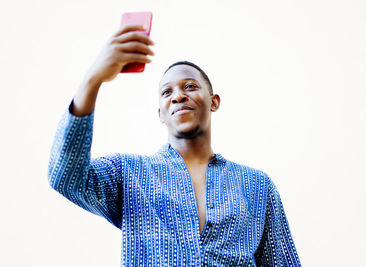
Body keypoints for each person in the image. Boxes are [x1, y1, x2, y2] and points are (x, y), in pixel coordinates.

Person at [48, 24, 301, 266]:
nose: (179, 95)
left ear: (214, 102)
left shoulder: (258, 186)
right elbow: (65, 177)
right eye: (167, 92)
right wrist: (93, 79)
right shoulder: (129, 173)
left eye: (190, 86)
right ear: (160, 113)